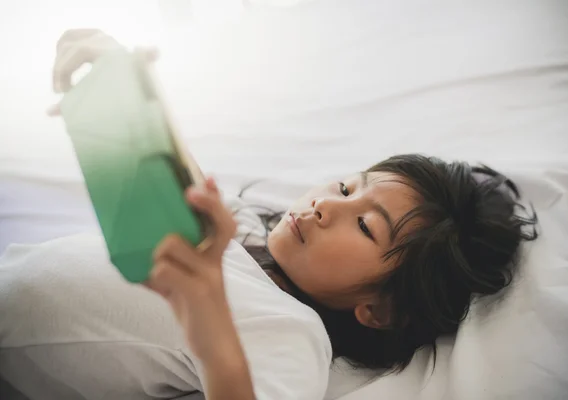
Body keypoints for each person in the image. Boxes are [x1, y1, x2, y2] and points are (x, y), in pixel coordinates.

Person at [0, 29, 538, 400]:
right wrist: (126, 81)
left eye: (365, 225)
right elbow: (175, 172)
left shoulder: (294, 334)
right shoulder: (239, 229)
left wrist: (207, 309)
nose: (327, 204)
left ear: (380, 310)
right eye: (348, 186)